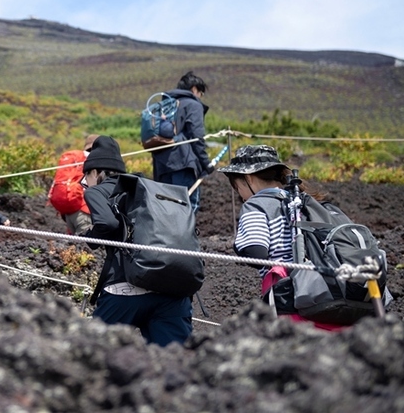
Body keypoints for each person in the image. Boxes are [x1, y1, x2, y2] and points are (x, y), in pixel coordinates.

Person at [70, 136, 193, 346]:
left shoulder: (98, 190)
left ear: (95, 172)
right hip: (171, 288)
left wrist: (90, 238)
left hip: (124, 289)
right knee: (176, 360)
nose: (85, 184)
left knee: (95, 353)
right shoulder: (148, 187)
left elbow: (107, 223)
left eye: (85, 178)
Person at [221, 144, 352, 330]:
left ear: (248, 178)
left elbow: (255, 251)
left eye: (236, 186)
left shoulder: (256, 205)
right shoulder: (308, 201)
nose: (240, 194)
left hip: (295, 303)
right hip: (337, 296)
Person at [151, 71, 212, 210]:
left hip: (161, 164)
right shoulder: (193, 105)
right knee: (187, 207)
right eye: (201, 94)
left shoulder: (164, 105)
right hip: (183, 163)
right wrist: (205, 163)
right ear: (194, 89)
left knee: (167, 208)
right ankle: (185, 233)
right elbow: (197, 135)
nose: (200, 98)